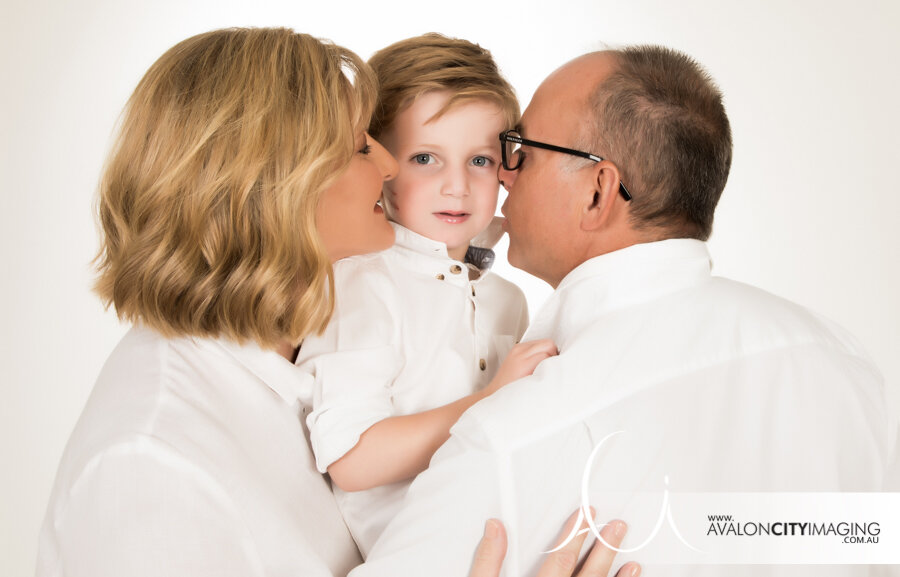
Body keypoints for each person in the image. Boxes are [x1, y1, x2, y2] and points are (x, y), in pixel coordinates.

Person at [34, 26, 633, 577]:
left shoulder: (304, 345)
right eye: (358, 146)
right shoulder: (148, 464)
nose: (390, 163)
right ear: (273, 184)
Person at [350, 46, 897, 577]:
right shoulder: (844, 364)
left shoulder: (514, 437)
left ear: (598, 191)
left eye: (521, 152)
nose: (503, 176)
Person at [295, 33, 555, 557]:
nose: (457, 185)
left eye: (479, 161)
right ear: (383, 169)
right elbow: (352, 458)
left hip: (506, 536)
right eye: (425, 158)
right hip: (421, 553)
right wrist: (489, 401)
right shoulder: (362, 282)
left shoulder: (507, 298)